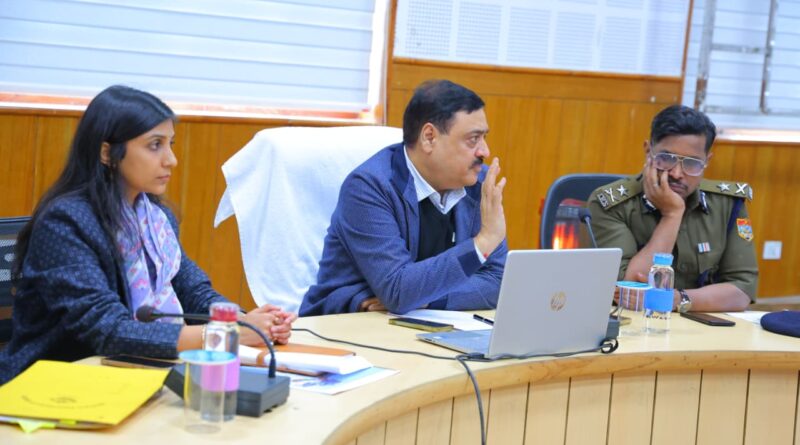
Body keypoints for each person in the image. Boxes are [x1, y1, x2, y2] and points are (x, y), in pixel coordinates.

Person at [0, 85, 296, 384]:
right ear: (107, 153)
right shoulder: (65, 223)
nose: (171, 160)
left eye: (170, 144)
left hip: (130, 374)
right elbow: (108, 330)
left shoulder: (155, 218)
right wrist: (225, 333)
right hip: (52, 383)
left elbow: (191, 289)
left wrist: (245, 321)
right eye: (155, 145)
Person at [300, 80, 508, 315]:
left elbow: (498, 281)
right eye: (473, 139)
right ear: (429, 137)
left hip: (426, 323)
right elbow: (398, 290)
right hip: (347, 322)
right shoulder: (368, 188)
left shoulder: (478, 183)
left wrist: (427, 300)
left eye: (484, 138)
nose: (485, 151)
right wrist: (483, 242)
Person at [587, 105, 757, 313]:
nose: (677, 173)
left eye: (692, 163)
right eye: (666, 159)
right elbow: (629, 292)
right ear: (648, 151)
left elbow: (742, 290)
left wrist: (676, 299)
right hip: (633, 325)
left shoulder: (726, 204)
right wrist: (671, 215)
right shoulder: (610, 204)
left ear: (707, 161)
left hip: (701, 324)